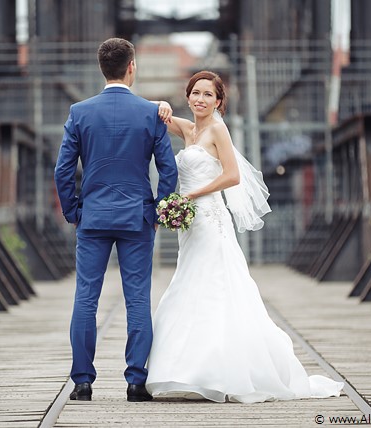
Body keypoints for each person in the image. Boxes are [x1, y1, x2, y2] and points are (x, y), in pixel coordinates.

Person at [146, 71, 344, 403]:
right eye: (195, 93)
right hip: (191, 226)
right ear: (188, 96)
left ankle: (222, 371)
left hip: (210, 219)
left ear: (219, 101)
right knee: (189, 281)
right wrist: (162, 103)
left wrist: (190, 197)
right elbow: (143, 109)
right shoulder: (188, 129)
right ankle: (188, 369)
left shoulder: (217, 130)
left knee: (214, 285)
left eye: (208, 95)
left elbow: (232, 176)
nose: (200, 99)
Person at [54, 38, 178, 402]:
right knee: (138, 298)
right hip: (137, 218)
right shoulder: (150, 113)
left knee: (86, 298)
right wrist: (157, 210)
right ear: (132, 66)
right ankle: (136, 381)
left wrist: (73, 211)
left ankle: (82, 382)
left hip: (92, 217)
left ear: (101, 68)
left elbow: (63, 170)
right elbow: (167, 171)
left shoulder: (79, 112)